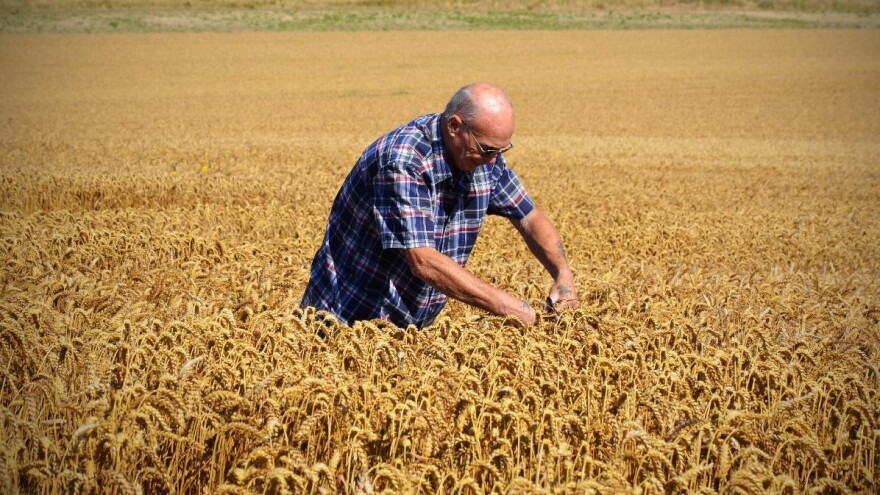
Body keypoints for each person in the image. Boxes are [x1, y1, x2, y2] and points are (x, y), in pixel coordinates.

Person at [301, 82, 578, 329]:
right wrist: (513, 309)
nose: (494, 161)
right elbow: (423, 261)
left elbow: (529, 217)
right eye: (487, 150)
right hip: (343, 320)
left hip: (406, 331)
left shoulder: (484, 160)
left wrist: (563, 276)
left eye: (501, 151)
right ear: (455, 126)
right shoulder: (404, 161)